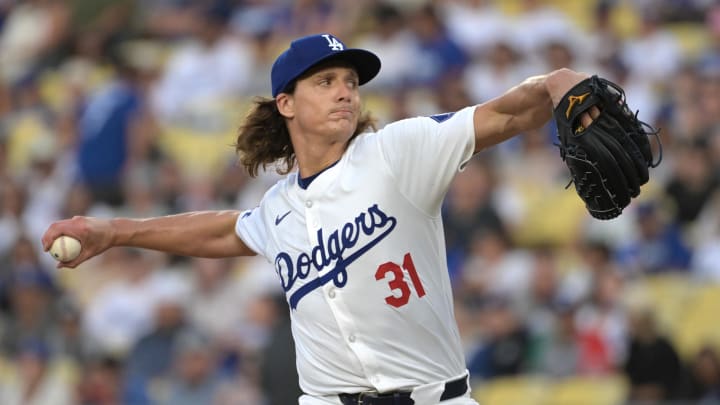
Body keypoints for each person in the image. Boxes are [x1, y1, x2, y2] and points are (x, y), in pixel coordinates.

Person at [43, 33, 596, 404]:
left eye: (351, 82)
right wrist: (116, 232)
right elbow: (222, 229)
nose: (345, 93)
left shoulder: (397, 152)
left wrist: (555, 83)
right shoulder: (279, 207)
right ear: (286, 103)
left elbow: (504, 113)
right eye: (325, 81)